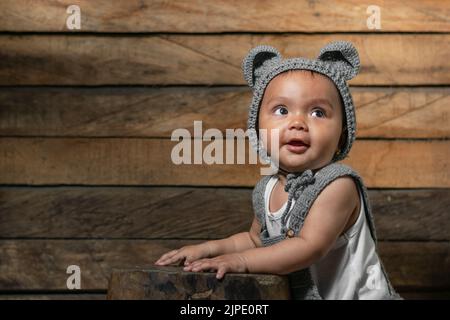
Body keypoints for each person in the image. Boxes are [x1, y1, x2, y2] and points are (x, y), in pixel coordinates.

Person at [156, 41, 401, 300]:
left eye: (318, 112)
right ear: (259, 132)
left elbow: (310, 247)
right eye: (282, 110)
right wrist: (208, 249)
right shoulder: (268, 188)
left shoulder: (338, 186)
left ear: (342, 136)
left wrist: (242, 261)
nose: (297, 123)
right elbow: (255, 240)